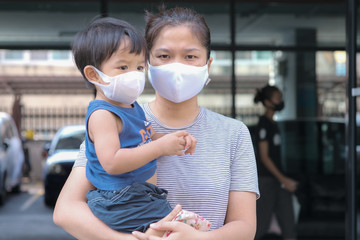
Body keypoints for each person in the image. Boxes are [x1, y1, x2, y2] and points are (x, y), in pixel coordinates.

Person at [53, 6, 259, 240]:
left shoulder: (233, 133)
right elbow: (66, 211)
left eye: (190, 56)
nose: (177, 66)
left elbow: (244, 227)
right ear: (148, 63)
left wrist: (198, 239)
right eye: (164, 56)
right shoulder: (119, 120)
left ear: (207, 65)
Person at [71, 16, 201, 234]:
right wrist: (161, 148)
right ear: (94, 74)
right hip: (120, 200)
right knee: (182, 226)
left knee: (183, 226)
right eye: (123, 66)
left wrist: (174, 139)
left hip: (136, 196)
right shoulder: (103, 115)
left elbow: (146, 135)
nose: (134, 74)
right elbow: (111, 162)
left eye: (139, 67)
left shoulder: (130, 105)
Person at [253, 85, 297, 240]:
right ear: (267, 102)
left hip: (278, 182)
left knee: (289, 225)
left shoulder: (273, 124)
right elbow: (264, 157)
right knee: (260, 226)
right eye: (278, 98)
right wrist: (283, 179)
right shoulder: (263, 124)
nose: (281, 101)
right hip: (267, 182)